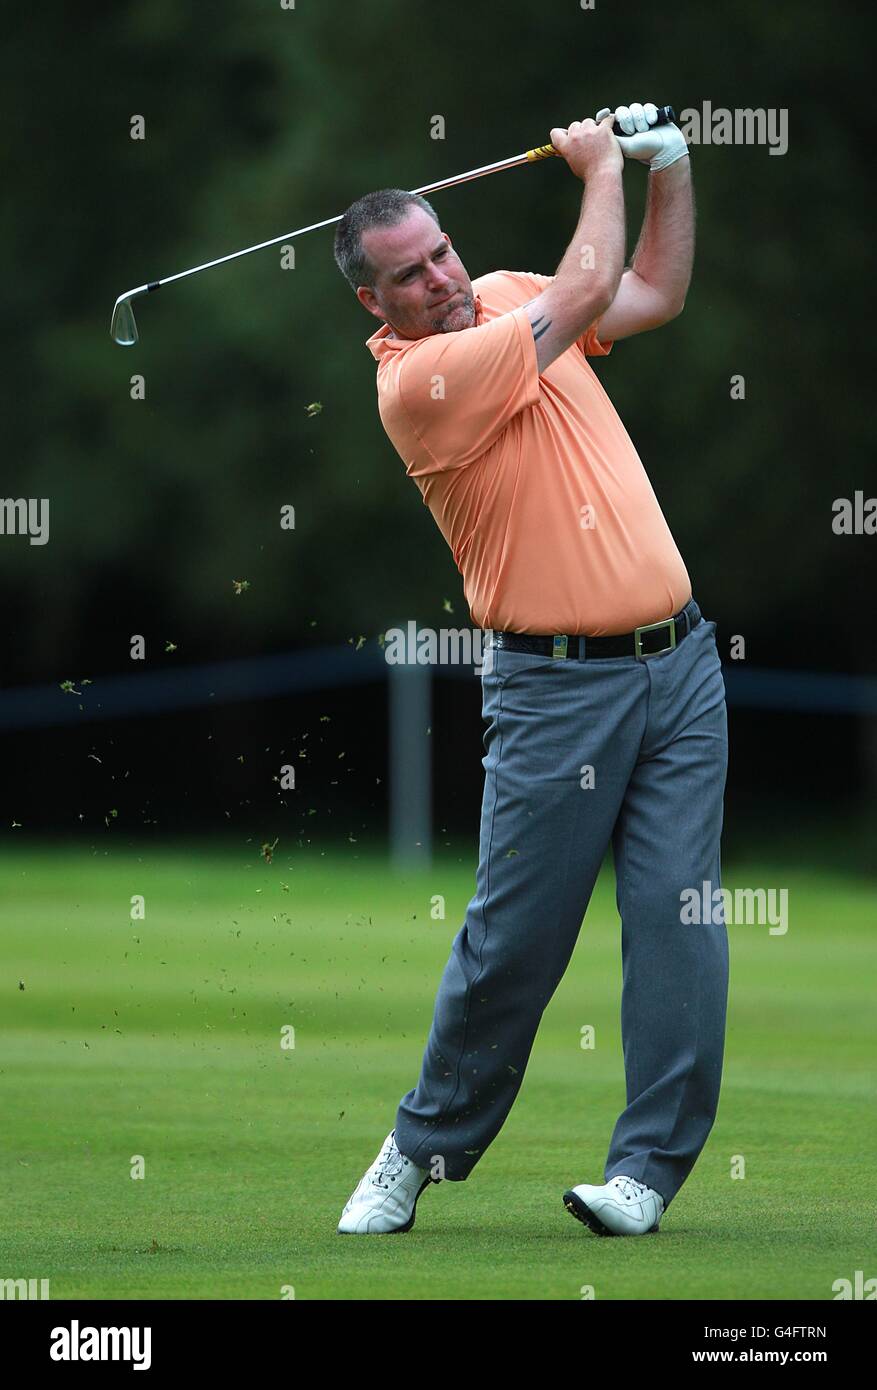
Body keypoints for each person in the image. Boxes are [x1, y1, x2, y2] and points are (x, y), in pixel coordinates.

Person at [332, 103, 728, 1238]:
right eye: (409, 276)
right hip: (557, 691)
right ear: (373, 302)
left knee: (677, 917)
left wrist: (667, 170)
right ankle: (419, 1148)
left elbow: (650, 290)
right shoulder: (422, 384)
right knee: (516, 936)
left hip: (681, 667)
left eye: (443, 252)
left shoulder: (510, 294)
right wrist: (598, 165)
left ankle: (645, 1172)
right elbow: (590, 287)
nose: (442, 281)